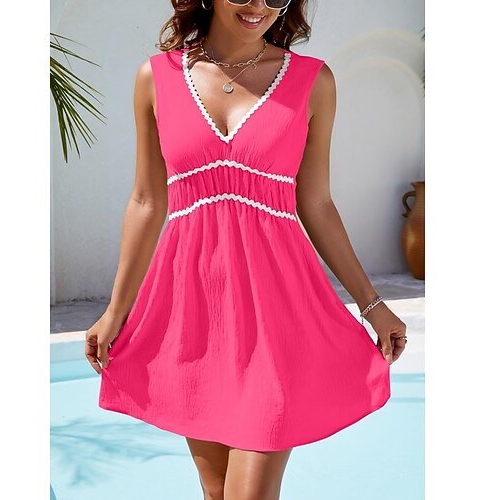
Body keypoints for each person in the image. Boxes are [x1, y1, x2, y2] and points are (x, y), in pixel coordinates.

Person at [85, 0, 408, 498]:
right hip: (193, 312)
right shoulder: (156, 78)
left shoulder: (313, 81)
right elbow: (147, 201)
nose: (259, 5)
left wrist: (372, 303)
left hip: (279, 313)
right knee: (216, 490)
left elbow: (317, 203)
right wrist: (115, 311)